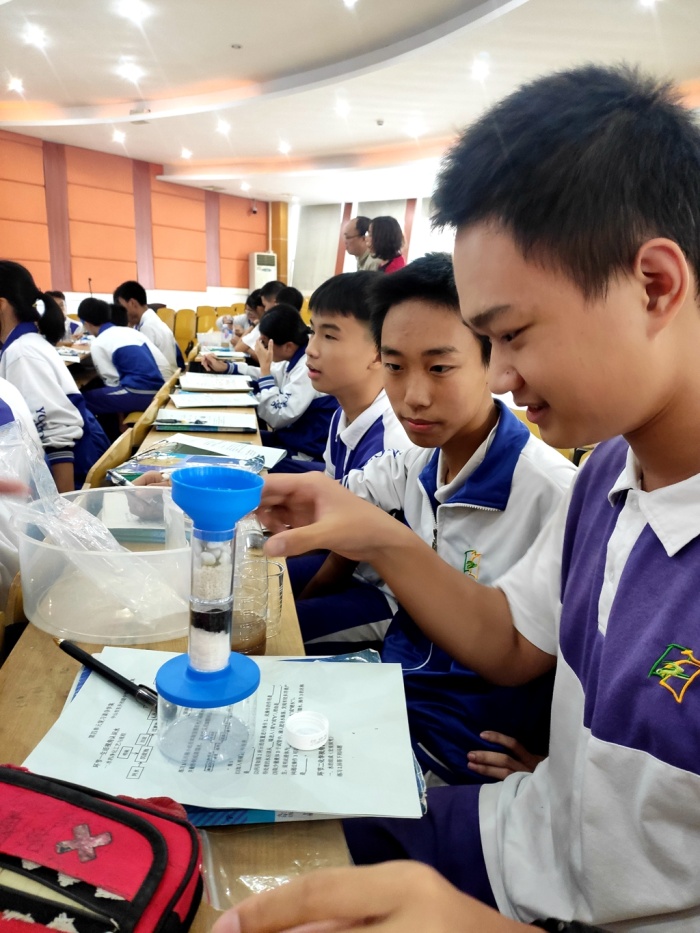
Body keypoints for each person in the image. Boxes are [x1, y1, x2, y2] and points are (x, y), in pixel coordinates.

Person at [251, 64, 700, 929]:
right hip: (525, 839)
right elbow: (512, 642)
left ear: (653, 285)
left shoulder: (559, 477)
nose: (497, 378)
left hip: (576, 902)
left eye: (512, 335)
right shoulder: (609, 474)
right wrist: (375, 533)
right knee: (255, 825)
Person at [295, 256, 574, 781]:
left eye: (439, 368)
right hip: (402, 681)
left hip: (469, 737)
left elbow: (591, 657)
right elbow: (332, 497)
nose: (413, 397)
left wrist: (560, 768)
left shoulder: (556, 495)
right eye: (395, 367)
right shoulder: (417, 459)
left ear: (493, 361)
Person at [288, 269, 413, 646]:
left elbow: (346, 555)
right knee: (257, 581)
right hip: (348, 563)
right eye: (312, 332)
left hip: (390, 595)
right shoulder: (343, 416)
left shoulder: (395, 437)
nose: (311, 349)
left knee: (273, 630)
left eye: (329, 335)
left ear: (379, 352)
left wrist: (298, 603)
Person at [0, 262, 109, 492]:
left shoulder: (22, 353)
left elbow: (56, 431)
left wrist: (62, 505)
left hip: (72, 474)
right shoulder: (25, 345)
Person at [204, 303, 338, 472]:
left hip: (305, 453)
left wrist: (265, 371)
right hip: (289, 438)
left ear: (288, 346)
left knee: (238, 462)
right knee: (228, 443)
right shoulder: (293, 359)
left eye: (266, 343)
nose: (262, 348)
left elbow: (277, 415)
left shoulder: (307, 367)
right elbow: (268, 374)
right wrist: (227, 367)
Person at [78, 298, 167, 440]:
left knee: (81, 400)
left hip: (141, 393)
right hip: (160, 390)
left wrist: (121, 420)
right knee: (98, 393)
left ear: (86, 323)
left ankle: (101, 442)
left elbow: (113, 383)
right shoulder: (130, 332)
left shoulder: (99, 343)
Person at [113, 280, 182, 375]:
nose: (120, 313)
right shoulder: (147, 322)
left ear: (132, 303)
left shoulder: (148, 328)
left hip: (163, 381)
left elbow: (140, 365)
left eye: (121, 307)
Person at [233, 279, 286, 361]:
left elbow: (238, 348)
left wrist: (249, 349)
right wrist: (253, 325)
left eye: (251, 310)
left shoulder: (269, 323)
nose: (266, 309)